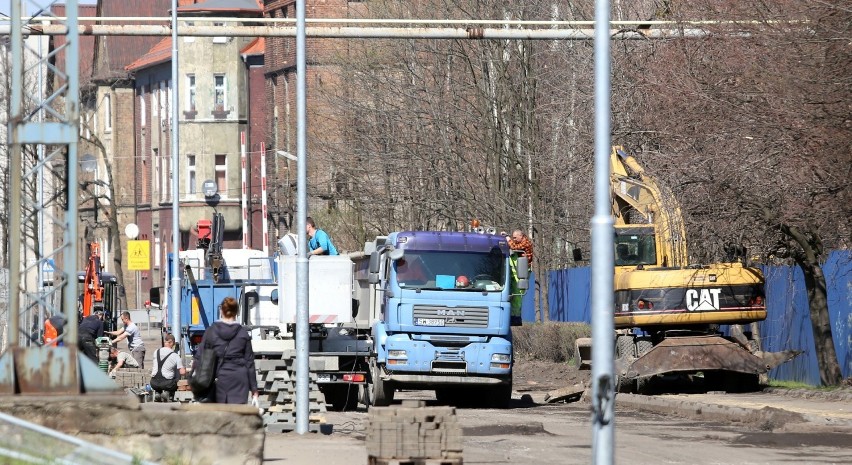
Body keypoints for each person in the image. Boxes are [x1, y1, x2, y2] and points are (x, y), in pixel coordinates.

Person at [194, 296, 258, 404]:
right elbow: (249, 363)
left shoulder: (211, 332)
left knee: (218, 416)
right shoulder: (243, 334)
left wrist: (198, 379)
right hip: (239, 379)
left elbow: (200, 356)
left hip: (217, 378)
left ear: (221, 311)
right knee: (236, 415)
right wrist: (254, 389)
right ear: (237, 312)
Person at [150, 333, 186, 402]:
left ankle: (158, 393)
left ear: (164, 342)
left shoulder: (156, 352)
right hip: (167, 384)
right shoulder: (175, 356)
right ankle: (168, 393)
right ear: (172, 343)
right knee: (176, 377)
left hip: (153, 383)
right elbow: (182, 372)